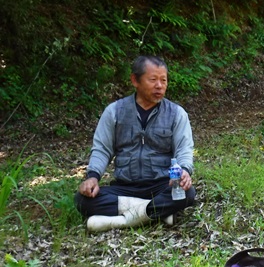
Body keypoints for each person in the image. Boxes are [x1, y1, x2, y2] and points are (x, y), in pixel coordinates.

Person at [75, 55, 196, 232]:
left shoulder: (177, 114)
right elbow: (102, 149)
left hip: (161, 185)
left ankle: (123, 220)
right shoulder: (114, 112)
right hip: (124, 187)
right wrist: (93, 177)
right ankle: (156, 212)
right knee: (82, 200)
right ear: (135, 80)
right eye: (153, 79)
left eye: (164, 80)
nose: (160, 86)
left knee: (187, 194)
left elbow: (184, 149)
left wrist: (184, 171)